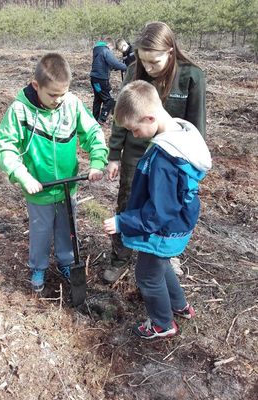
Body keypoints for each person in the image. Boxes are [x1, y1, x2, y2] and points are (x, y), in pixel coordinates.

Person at [104, 80, 211, 339]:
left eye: (134, 128)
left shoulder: (166, 158)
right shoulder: (181, 134)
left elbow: (160, 211)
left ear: (150, 117)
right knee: (160, 266)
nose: (134, 135)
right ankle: (180, 306)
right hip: (177, 225)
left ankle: (163, 324)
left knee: (147, 275)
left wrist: (122, 222)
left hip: (164, 229)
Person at [0, 53, 108, 292]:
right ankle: (38, 266)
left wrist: (97, 162)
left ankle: (66, 263)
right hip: (39, 190)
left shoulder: (73, 104)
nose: (58, 100)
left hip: (69, 187)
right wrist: (22, 175)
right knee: (41, 231)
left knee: (68, 229)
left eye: (62, 94)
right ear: (36, 86)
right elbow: (6, 147)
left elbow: (93, 133)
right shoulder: (19, 111)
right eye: (53, 95)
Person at [104, 21, 207, 283]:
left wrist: (191, 167)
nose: (148, 68)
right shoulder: (133, 71)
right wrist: (114, 154)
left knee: (166, 207)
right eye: (144, 61)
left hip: (172, 160)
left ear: (170, 52)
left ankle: (164, 257)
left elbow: (197, 127)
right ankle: (120, 258)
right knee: (128, 205)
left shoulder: (191, 77)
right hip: (136, 157)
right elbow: (121, 117)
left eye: (155, 62)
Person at [90, 37, 127, 125]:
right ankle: (101, 119)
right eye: (112, 49)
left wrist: (113, 67)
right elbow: (114, 63)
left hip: (94, 78)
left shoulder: (97, 50)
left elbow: (105, 64)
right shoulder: (105, 51)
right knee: (109, 100)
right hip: (101, 80)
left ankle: (94, 119)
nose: (112, 51)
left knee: (98, 99)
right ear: (109, 45)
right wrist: (127, 67)